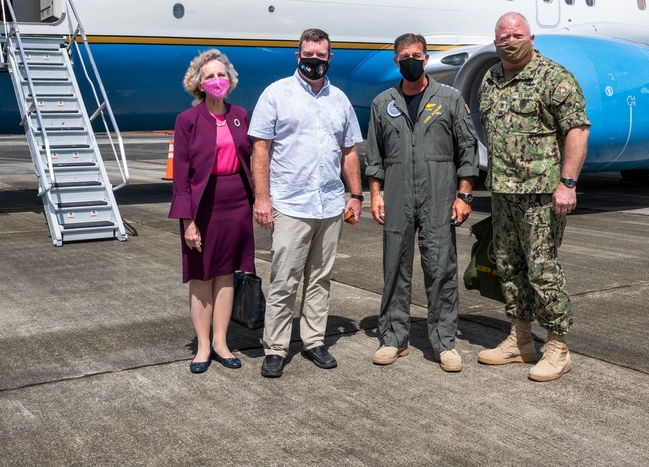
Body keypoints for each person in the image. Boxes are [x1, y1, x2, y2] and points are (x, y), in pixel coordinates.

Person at [477, 12, 590, 382]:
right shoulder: (491, 78)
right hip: (503, 190)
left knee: (543, 269)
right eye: (503, 36)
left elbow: (576, 131)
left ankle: (558, 347)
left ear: (531, 36)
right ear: (495, 42)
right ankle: (521, 339)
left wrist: (567, 183)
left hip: (541, 194)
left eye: (516, 34)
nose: (510, 40)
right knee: (509, 267)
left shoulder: (554, 77)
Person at [249, 28, 364, 378]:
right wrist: (262, 198)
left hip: (329, 204)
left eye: (320, 57)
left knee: (320, 279)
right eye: (308, 56)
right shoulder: (276, 94)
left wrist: (356, 195)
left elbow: (349, 151)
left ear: (330, 58)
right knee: (284, 279)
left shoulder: (340, 99)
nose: (314, 62)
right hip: (290, 203)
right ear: (297, 57)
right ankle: (275, 348)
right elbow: (260, 149)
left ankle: (314, 341)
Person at [365, 33, 479, 372]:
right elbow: (375, 154)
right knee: (394, 267)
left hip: (440, 192)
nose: (410, 60)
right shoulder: (382, 102)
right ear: (396, 61)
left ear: (426, 59)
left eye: (416, 55)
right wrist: (375, 193)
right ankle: (393, 339)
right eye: (404, 56)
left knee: (441, 267)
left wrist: (464, 194)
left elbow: (467, 150)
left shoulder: (449, 99)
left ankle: (445, 342)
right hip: (398, 193)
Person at [170, 49, 255, 374]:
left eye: (221, 74)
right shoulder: (187, 121)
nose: (217, 80)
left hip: (236, 204)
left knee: (226, 275)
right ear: (199, 84)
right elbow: (181, 175)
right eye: (210, 76)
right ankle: (203, 346)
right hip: (202, 205)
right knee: (201, 276)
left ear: (229, 79)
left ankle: (221, 342)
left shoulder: (240, 115)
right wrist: (188, 221)